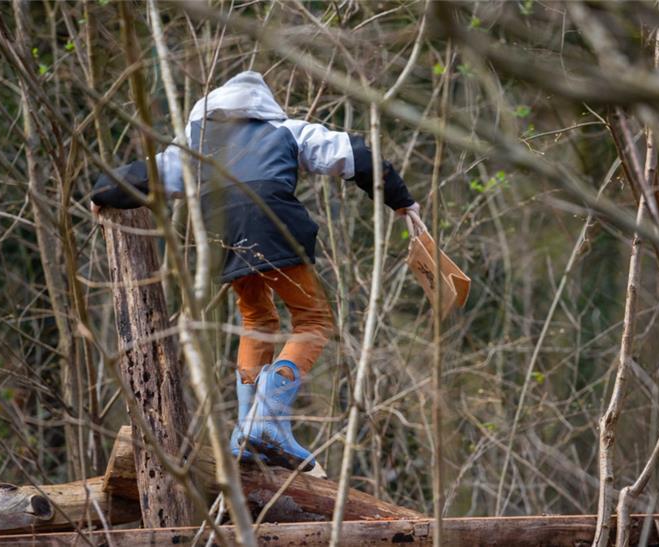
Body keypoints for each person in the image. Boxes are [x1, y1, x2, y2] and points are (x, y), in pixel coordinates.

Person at [91, 71, 421, 473]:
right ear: (262, 103)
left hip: (225, 238)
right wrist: (401, 201)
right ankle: (264, 424)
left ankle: (246, 433)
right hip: (273, 224)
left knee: (257, 319)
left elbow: (140, 176)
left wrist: (101, 195)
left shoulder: (196, 146)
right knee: (312, 321)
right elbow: (355, 156)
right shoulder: (287, 130)